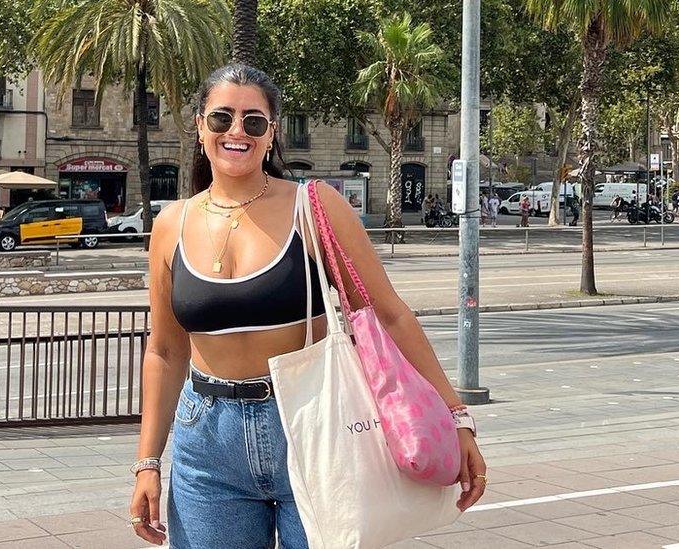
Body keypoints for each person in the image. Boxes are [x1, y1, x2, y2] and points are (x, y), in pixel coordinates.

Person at [128, 64, 486, 549]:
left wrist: (455, 415)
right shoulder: (171, 224)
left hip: (314, 425)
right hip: (206, 441)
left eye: (254, 121)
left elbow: (389, 315)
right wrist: (148, 462)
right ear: (199, 126)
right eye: (221, 118)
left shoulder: (313, 208)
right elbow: (166, 351)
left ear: (272, 133)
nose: (237, 132)